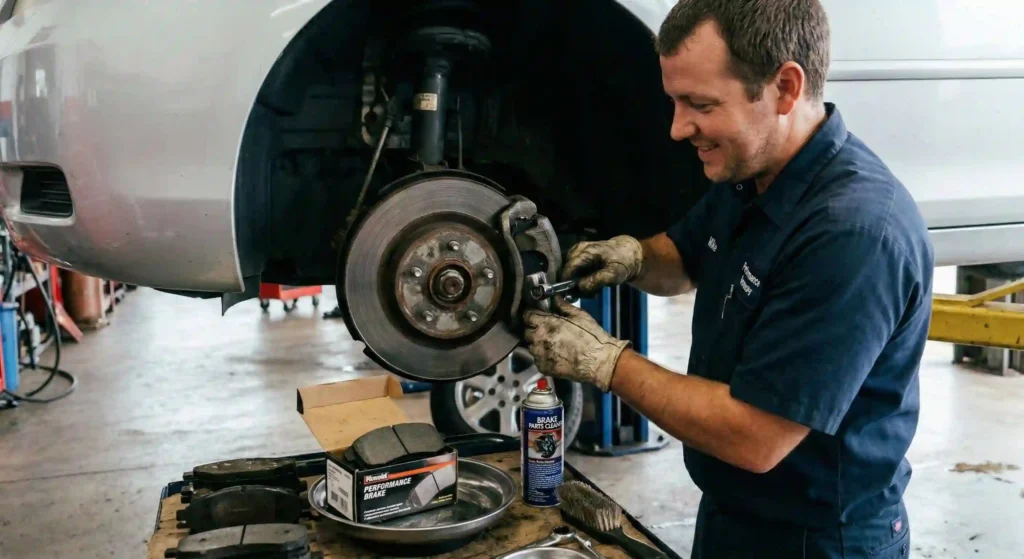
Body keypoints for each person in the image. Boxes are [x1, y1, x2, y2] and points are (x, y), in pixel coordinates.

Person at [522, 1, 934, 557]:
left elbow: (755, 435)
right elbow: (687, 256)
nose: (677, 128)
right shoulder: (753, 170)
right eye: (674, 101)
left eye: (700, 104)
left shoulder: (852, 235)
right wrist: (635, 258)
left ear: (785, 89)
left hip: (819, 542)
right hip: (733, 515)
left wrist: (606, 361)